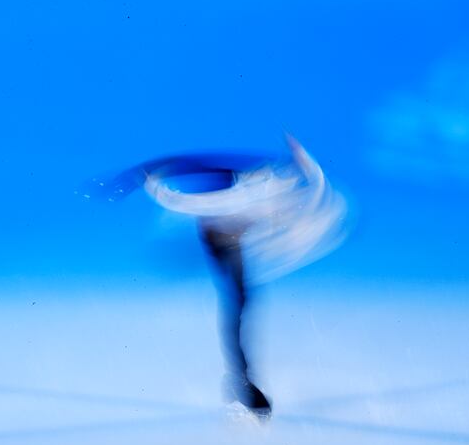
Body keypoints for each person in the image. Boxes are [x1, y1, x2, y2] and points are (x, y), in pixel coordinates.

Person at [84, 135, 347, 419]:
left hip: (232, 232)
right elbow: (190, 164)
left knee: (242, 300)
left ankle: (242, 381)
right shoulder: (244, 175)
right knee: (237, 297)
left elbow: (310, 199)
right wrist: (138, 177)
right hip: (220, 233)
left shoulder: (280, 191)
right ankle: (242, 382)